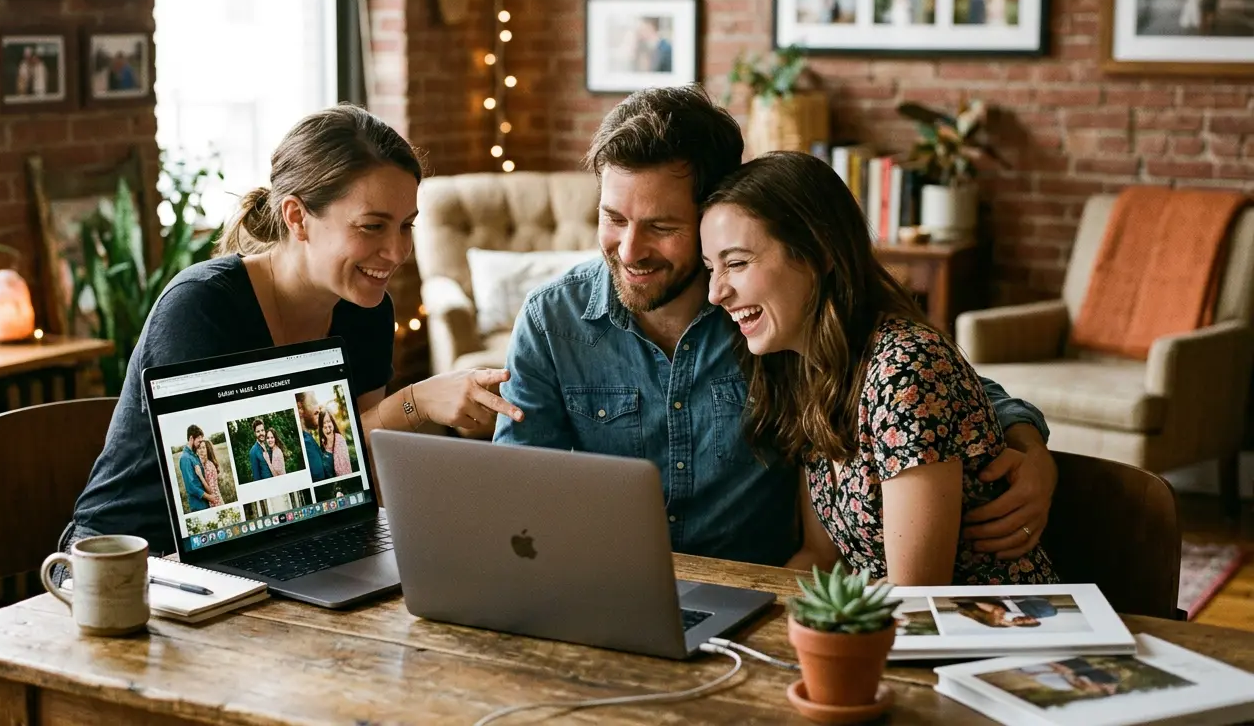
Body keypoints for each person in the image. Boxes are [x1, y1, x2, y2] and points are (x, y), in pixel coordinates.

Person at [494, 84, 1057, 569]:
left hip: (759, 597)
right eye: (613, 218)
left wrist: (1028, 444)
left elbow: (922, 390)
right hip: (609, 593)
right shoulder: (553, 321)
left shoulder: (770, 315)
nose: (631, 249)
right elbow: (515, 496)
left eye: (662, 226)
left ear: (713, 213)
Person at [61, 104, 524, 558]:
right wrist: (415, 403)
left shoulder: (367, 308)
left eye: (406, 226)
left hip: (284, 543)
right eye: (372, 226)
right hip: (130, 563)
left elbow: (362, 473)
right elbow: (247, 493)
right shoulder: (201, 306)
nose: (397, 250)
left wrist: (384, 550)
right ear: (297, 217)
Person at [701, 151, 1057, 585]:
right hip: (889, 630)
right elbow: (822, 558)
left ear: (818, 252)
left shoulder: (906, 368)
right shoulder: (808, 371)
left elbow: (917, 595)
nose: (715, 293)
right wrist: (744, 604)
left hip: (991, 633)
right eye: (710, 268)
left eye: (736, 263)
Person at [178, 426, 209, 514]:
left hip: (205, 503)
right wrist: (210, 497)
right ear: (191, 438)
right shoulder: (185, 458)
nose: (200, 444)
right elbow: (190, 487)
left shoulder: (194, 456)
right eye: (199, 441)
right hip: (198, 506)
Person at [318, 408, 354, 477]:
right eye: (323, 423)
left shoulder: (340, 441)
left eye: (328, 421)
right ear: (321, 428)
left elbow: (345, 471)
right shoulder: (322, 445)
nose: (327, 426)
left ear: (333, 423)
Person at [198, 439, 223, 508]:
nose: (201, 450)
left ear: (208, 450)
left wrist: (200, 476)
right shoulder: (205, 464)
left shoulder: (209, 466)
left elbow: (211, 491)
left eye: (203, 448)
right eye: (199, 448)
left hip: (215, 503)